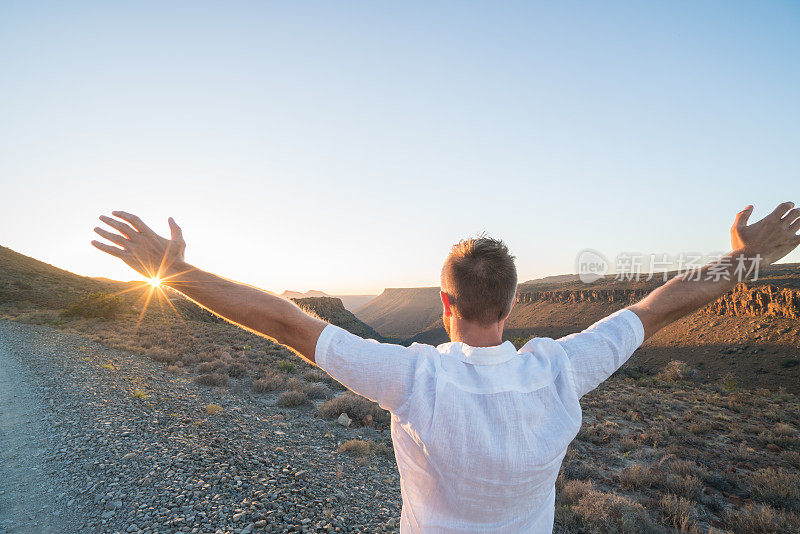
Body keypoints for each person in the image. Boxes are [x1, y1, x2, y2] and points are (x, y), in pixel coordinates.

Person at [92, 202, 800, 533]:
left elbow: (285, 320)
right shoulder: (564, 368)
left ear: (444, 302)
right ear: (515, 301)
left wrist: (176, 272)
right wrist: (751, 260)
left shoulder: (411, 376)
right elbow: (660, 306)